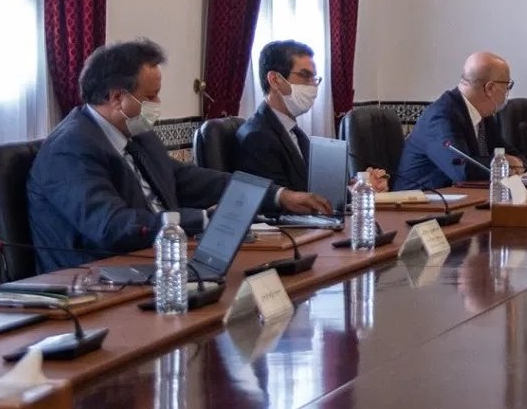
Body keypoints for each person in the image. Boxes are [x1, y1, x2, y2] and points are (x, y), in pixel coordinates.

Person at [28, 39, 330, 272]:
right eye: (150, 96)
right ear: (116, 97)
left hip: (160, 260)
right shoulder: (70, 149)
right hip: (97, 279)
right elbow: (111, 227)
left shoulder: (137, 134)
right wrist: (201, 219)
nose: (158, 103)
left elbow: (186, 178)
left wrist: (278, 196)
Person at [395, 51, 527, 189]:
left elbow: (513, 155)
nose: (508, 91)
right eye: (507, 85)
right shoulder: (442, 116)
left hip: (462, 199)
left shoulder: (484, 116)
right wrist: (505, 164)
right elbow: (461, 170)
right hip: (419, 204)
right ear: (490, 88)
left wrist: (516, 162)